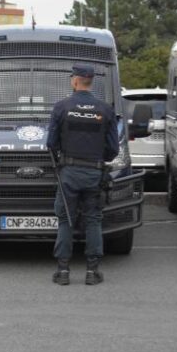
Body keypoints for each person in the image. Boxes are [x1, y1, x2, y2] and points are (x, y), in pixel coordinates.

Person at [46, 64, 119, 286]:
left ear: (75, 81)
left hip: (69, 173)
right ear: (90, 82)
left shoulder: (61, 107)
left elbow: (51, 144)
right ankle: (92, 271)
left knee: (66, 220)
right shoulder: (105, 110)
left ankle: (63, 271)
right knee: (93, 220)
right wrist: (96, 158)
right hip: (94, 173)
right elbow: (113, 150)